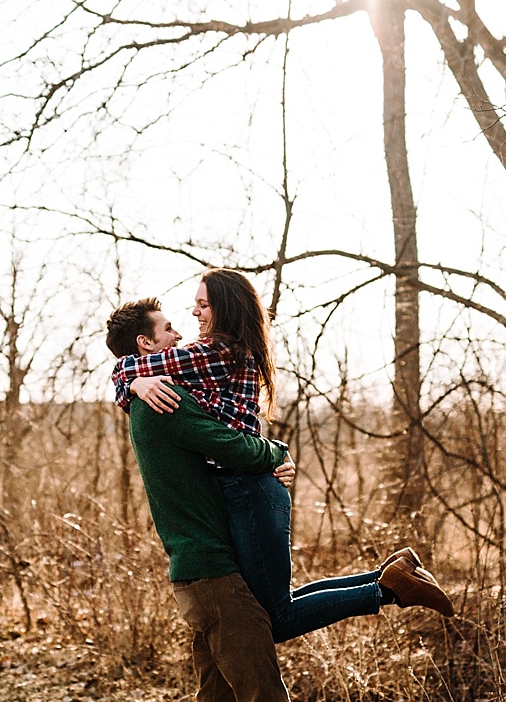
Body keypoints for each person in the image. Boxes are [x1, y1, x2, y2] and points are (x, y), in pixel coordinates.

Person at [103, 299, 328, 702]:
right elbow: (236, 446)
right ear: (149, 346)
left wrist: (133, 374)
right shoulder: (164, 403)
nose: (179, 332)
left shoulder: (151, 390)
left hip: (198, 574)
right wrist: (276, 456)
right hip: (215, 577)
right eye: (168, 328)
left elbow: (224, 453)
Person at [109, 270, 453, 644]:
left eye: (202, 305)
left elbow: (129, 367)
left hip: (249, 488)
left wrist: (131, 381)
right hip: (246, 488)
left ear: (225, 308)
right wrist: (135, 384)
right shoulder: (219, 351)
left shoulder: (217, 351)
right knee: (273, 607)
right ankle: (389, 575)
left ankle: (388, 590)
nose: (194, 314)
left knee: (276, 618)